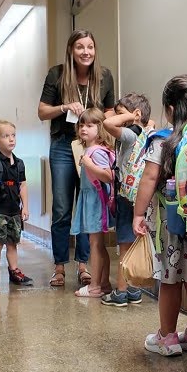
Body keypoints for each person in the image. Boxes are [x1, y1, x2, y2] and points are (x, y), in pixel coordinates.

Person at [133, 76, 187, 357]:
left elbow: (149, 177)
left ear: (170, 108)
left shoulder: (163, 139)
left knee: (170, 278)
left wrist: (138, 214)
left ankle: (167, 336)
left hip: (171, 221)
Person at [37, 30, 116, 289]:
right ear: (71, 50)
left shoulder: (104, 76)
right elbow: (42, 111)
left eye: (90, 47)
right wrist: (64, 107)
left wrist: (103, 130)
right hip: (63, 145)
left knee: (87, 205)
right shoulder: (57, 74)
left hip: (91, 148)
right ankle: (59, 267)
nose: (86, 52)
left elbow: (110, 112)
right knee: (61, 208)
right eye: (80, 47)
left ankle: (83, 266)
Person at [102, 92, 154, 307]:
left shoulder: (131, 135)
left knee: (124, 245)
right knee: (134, 242)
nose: (117, 116)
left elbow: (107, 123)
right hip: (141, 197)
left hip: (126, 198)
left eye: (120, 112)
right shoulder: (148, 133)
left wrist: (128, 117)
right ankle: (133, 289)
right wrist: (136, 117)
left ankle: (121, 291)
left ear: (135, 114)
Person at [0, 120, 33, 290]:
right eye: (5, 136)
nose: (11, 139)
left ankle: (14, 270)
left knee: (12, 243)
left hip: (14, 211)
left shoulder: (19, 164)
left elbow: (23, 186)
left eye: (13, 135)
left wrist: (25, 207)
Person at [72, 108, 117, 298]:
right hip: (92, 199)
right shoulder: (91, 149)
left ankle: (95, 286)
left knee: (95, 244)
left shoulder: (95, 152)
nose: (84, 128)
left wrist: (89, 164)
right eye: (82, 124)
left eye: (90, 125)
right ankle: (104, 283)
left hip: (95, 201)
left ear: (100, 128)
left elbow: (107, 176)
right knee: (98, 244)